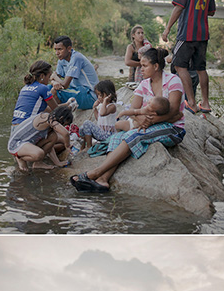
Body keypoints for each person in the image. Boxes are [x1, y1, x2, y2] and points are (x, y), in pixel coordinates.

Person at [70, 47, 185, 194]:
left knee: (133, 136)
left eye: (144, 66)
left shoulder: (173, 81)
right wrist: (142, 118)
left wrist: (150, 121)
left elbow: (175, 113)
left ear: (156, 66)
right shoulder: (143, 85)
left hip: (172, 128)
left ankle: (95, 173)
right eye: (140, 65)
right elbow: (133, 111)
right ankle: (103, 180)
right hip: (146, 126)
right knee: (117, 137)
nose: (140, 69)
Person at [162, 0, 215, 116]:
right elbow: (211, 12)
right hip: (203, 34)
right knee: (201, 68)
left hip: (187, 33)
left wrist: (167, 29)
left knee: (179, 65)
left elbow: (178, 7)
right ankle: (205, 103)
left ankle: (191, 103)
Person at [8, 105, 73, 173]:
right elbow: (66, 134)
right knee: (39, 154)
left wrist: (58, 163)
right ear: (61, 118)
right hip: (16, 143)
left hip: (28, 142)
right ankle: (20, 158)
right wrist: (67, 146)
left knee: (53, 137)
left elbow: (50, 147)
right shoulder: (46, 118)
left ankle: (38, 163)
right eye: (64, 124)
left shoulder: (50, 124)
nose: (63, 126)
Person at [52, 36, 99, 110]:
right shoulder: (61, 60)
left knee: (56, 93)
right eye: (55, 49)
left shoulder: (76, 58)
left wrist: (54, 76)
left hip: (89, 95)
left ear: (69, 48)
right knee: (47, 89)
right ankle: (57, 115)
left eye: (60, 49)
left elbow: (65, 85)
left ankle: (57, 116)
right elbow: (53, 79)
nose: (57, 53)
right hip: (76, 90)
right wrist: (54, 82)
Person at [12, 60, 60, 124]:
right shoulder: (43, 88)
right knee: (52, 119)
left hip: (15, 128)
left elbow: (46, 109)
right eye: (49, 76)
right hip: (26, 126)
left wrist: (67, 104)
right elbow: (57, 110)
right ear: (42, 76)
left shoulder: (25, 87)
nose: (49, 79)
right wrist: (69, 105)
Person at [79, 80, 119, 149]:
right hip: (101, 133)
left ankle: (89, 147)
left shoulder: (112, 106)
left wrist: (105, 101)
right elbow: (99, 118)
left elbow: (103, 113)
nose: (99, 97)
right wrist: (95, 108)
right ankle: (83, 146)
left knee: (87, 123)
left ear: (109, 94)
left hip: (108, 135)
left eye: (101, 95)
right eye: (98, 95)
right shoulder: (102, 106)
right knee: (83, 128)